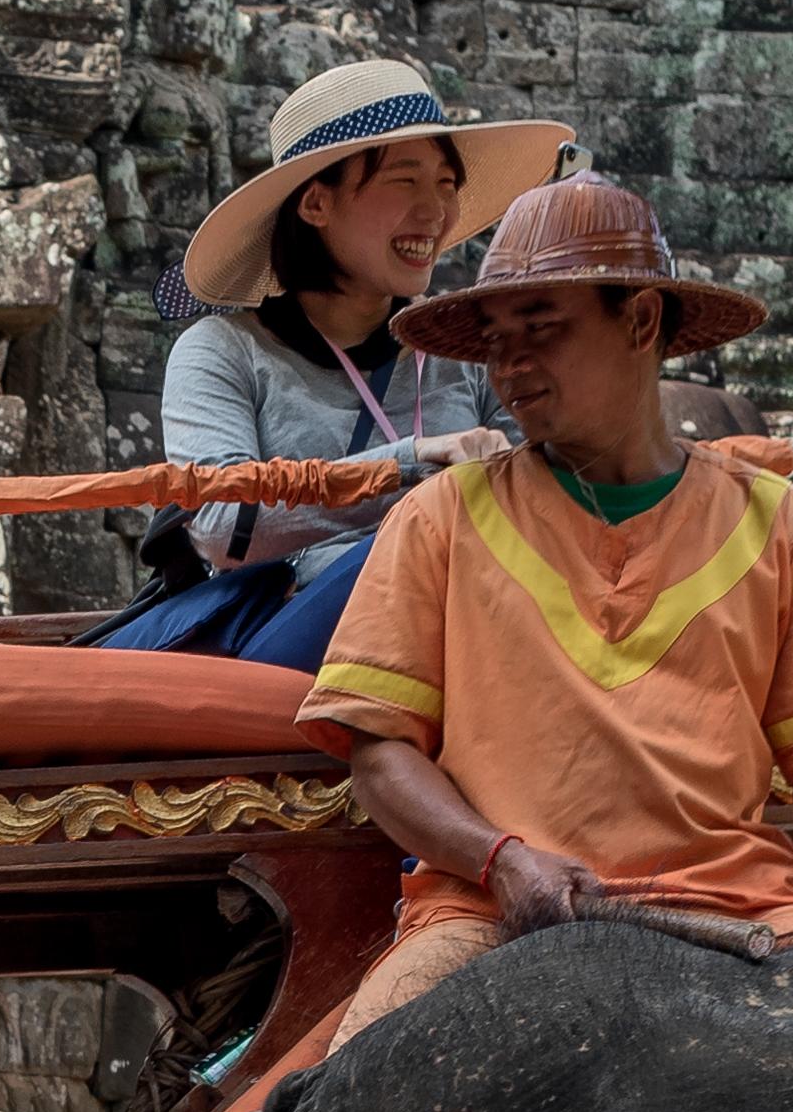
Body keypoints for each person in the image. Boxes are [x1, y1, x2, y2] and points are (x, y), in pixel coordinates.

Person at [292, 172, 793, 1043]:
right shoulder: (440, 517)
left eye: (542, 329)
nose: (510, 366)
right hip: (485, 920)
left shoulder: (784, 527)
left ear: (642, 322)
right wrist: (501, 860)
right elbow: (379, 753)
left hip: (742, 916)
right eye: (496, 339)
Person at [97, 59, 567, 671]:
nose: (436, 213)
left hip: (464, 620)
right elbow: (219, 520)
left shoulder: (468, 351)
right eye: (405, 181)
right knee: (423, 546)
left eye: (447, 184)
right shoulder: (222, 351)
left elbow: (540, 496)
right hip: (286, 636)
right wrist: (411, 465)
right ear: (317, 203)